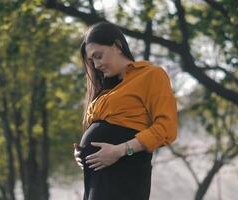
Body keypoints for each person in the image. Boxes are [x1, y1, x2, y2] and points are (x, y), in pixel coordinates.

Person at [73, 22, 178, 200]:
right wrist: (82, 153)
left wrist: (121, 150)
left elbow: (167, 128)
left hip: (124, 175)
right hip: (97, 179)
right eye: (92, 61)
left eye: (98, 56)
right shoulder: (105, 90)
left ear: (117, 45)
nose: (96, 65)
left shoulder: (151, 75)